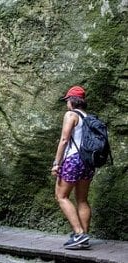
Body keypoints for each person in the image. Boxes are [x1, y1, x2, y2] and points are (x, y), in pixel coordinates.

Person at [51, 85, 95, 249]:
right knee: (82, 199)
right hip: (88, 161)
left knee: (61, 196)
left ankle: (79, 233)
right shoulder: (89, 118)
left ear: (72, 100)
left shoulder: (71, 115)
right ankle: (84, 235)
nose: (66, 104)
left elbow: (64, 140)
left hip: (73, 159)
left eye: (67, 100)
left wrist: (56, 163)